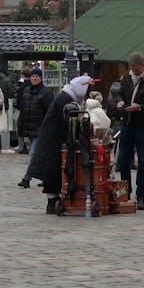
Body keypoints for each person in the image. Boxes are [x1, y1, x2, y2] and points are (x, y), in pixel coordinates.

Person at [27, 74, 95, 213]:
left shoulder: (66, 96)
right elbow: (70, 123)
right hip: (53, 141)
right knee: (52, 171)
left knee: (53, 170)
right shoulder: (66, 100)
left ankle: (53, 201)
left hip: (53, 139)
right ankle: (52, 202)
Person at [114, 53, 144, 211]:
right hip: (127, 122)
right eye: (131, 69)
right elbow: (120, 92)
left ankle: (141, 195)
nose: (133, 72)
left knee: (142, 161)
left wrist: (140, 107)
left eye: (136, 70)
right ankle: (125, 192)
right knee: (123, 160)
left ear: (143, 65)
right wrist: (120, 101)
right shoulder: (127, 76)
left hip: (143, 124)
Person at [16, 69, 55, 188]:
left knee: (33, 154)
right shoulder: (26, 91)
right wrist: (20, 125)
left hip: (41, 128)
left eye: (37, 76)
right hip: (29, 128)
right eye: (33, 76)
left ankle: (27, 178)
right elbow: (23, 109)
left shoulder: (46, 92)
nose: (34, 78)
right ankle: (47, 178)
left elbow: (50, 111)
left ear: (41, 78)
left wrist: (48, 127)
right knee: (40, 155)